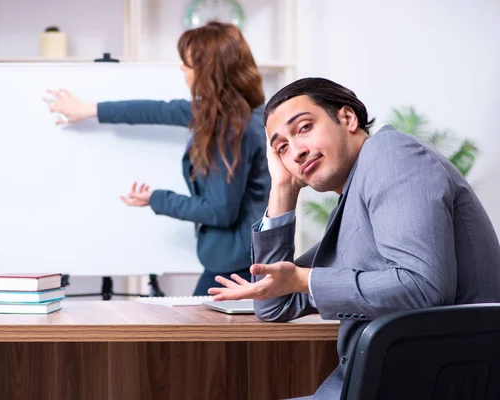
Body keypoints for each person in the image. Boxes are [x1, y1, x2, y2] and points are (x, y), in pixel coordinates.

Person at [207, 77, 500, 399]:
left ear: (347, 118)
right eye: (282, 147)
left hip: (422, 385)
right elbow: (276, 304)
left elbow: (422, 287)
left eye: (304, 127)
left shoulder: (391, 154)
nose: (297, 151)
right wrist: (281, 191)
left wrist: (303, 279)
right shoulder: (352, 199)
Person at [46, 21, 270, 296]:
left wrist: (156, 198)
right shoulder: (234, 113)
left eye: (187, 65)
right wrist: (89, 110)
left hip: (236, 269)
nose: (181, 70)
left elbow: (218, 211)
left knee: (194, 338)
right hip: (241, 261)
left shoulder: (232, 129)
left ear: (208, 73)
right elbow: (155, 110)